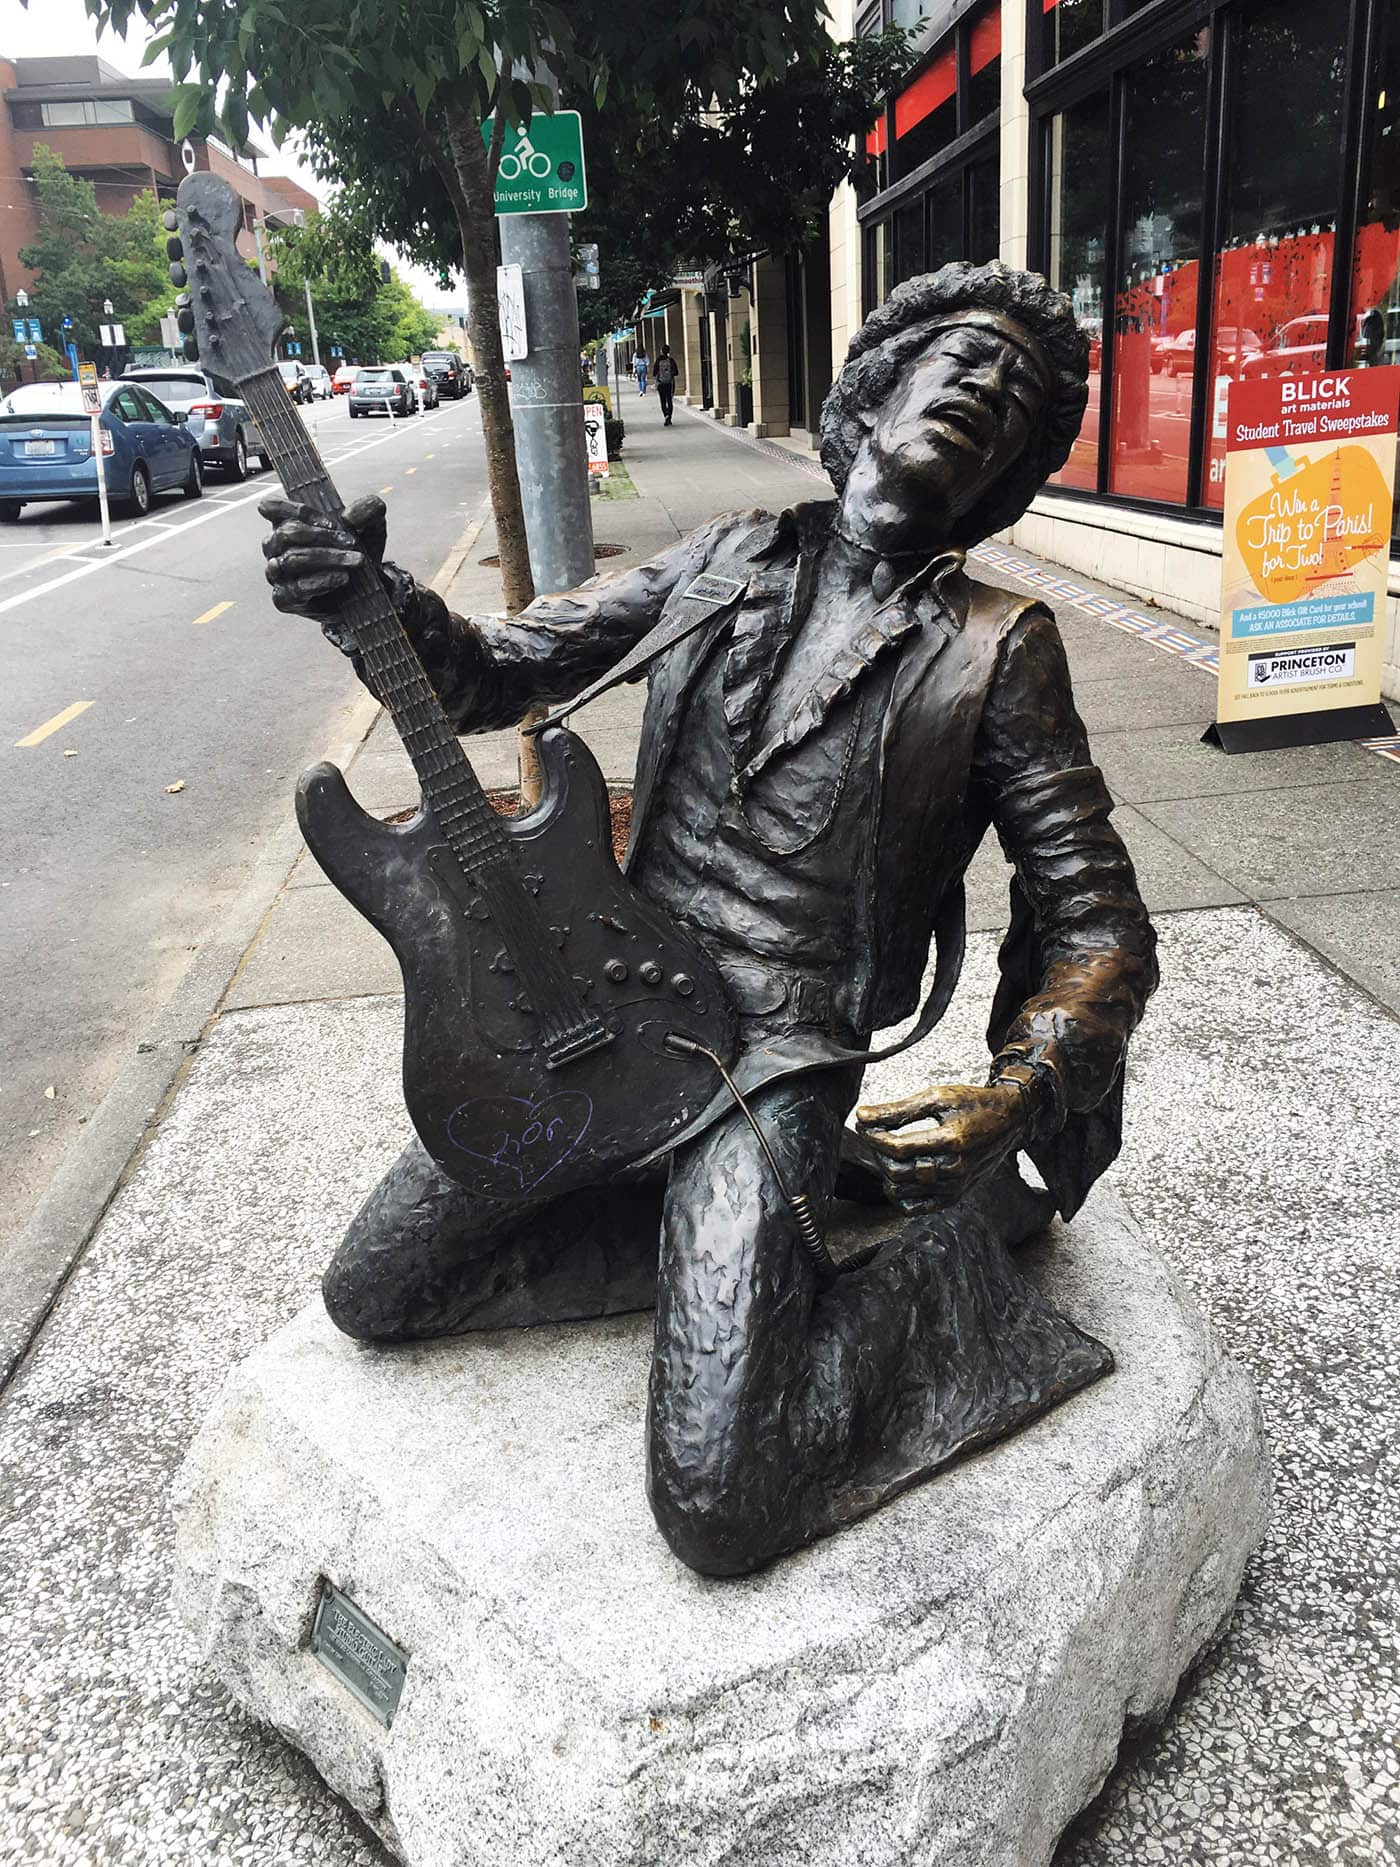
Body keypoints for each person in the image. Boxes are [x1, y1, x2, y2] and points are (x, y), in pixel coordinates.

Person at [261, 261, 1156, 1578]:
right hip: (610, 1001)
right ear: (879, 384)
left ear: (1007, 477)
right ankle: (719, 1237)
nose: (985, 397)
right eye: (964, 361)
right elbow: (499, 671)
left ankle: (930, 1275)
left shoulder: (997, 645)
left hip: (776, 1055)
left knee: (719, 1498)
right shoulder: (729, 555)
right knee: (379, 1291)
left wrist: (1017, 1093)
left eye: (1017, 406)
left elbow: (1100, 926)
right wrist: (376, 606)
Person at [654, 345, 678, 424]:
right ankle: (670, 417)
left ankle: (666, 415)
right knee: (669, 400)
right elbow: (676, 372)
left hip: (661, 383)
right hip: (669, 383)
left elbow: (654, 372)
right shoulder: (671, 360)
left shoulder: (658, 360)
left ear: (661, 351)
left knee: (663, 400)